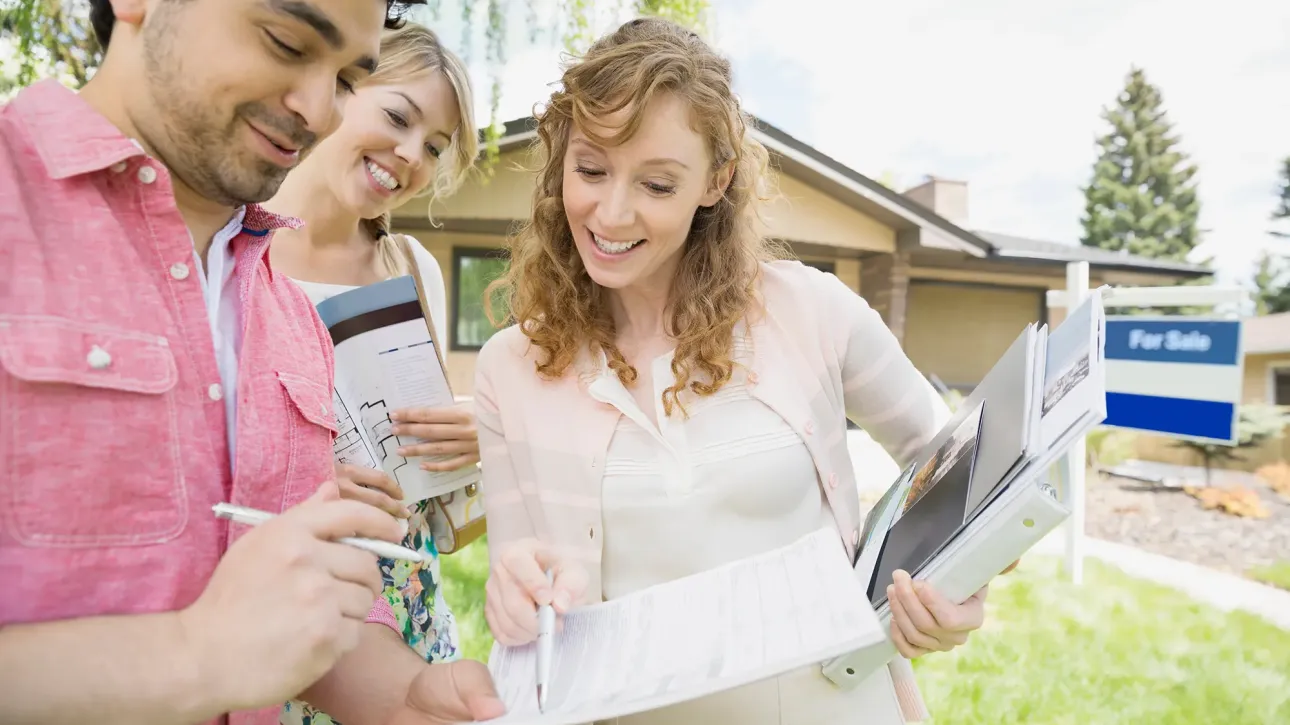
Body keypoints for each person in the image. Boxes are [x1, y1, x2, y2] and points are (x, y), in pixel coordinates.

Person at [473, 17, 1009, 724]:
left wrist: (951, 587)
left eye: (656, 184)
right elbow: (519, 592)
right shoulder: (509, 370)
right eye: (591, 170)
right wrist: (513, 599)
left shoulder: (811, 311)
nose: (611, 212)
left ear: (716, 180)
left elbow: (970, 477)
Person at [0, 1, 505, 723]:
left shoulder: (287, 314)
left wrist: (403, 697)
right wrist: (193, 656)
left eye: (345, 79)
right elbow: (225, 646)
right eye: (286, 42)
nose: (319, 111)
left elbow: (305, 599)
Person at [261, 23, 486, 725]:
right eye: (398, 117)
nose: (412, 155)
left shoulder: (412, 268)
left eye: (436, 146)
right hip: (288, 610)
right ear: (339, 87)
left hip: (411, 606)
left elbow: (432, 483)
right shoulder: (235, 250)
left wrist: (477, 435)